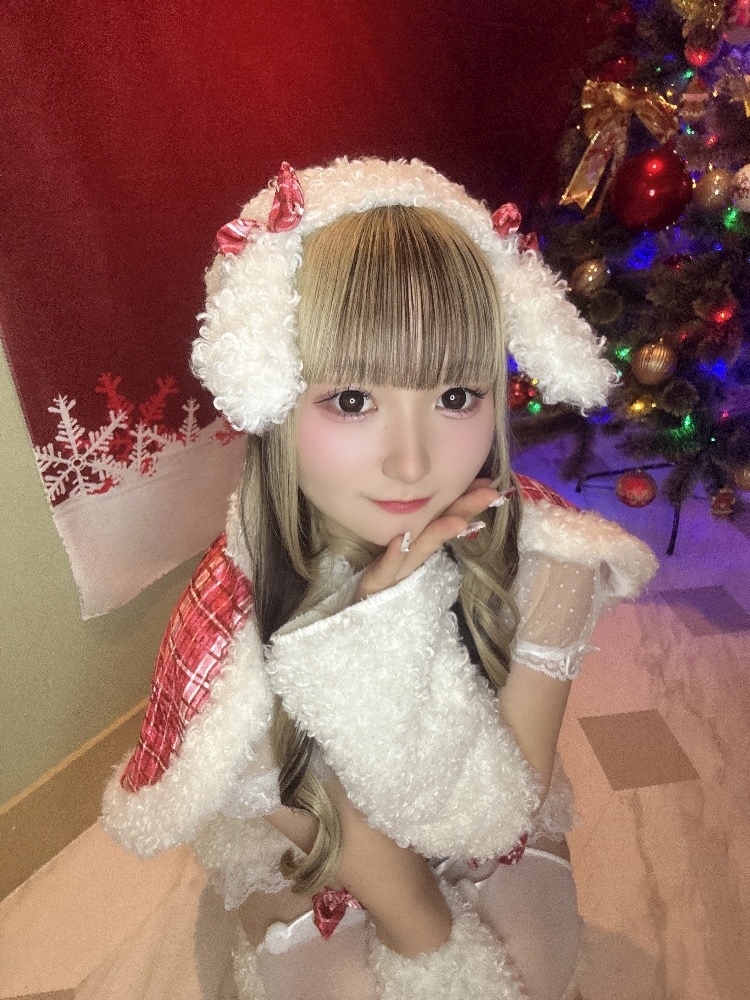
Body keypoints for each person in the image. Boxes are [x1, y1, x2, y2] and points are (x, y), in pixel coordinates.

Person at [101, 158, 657, 1000]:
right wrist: (365, 629)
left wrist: (393, 625)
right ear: (274, 396)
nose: (412, 462)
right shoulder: (227, 644)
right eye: (354, 400)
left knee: (536, 968)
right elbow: (395, 894)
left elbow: (493, 812)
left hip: (471, 788)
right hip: (323, 838)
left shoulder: (549, 559)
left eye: (457, 395)